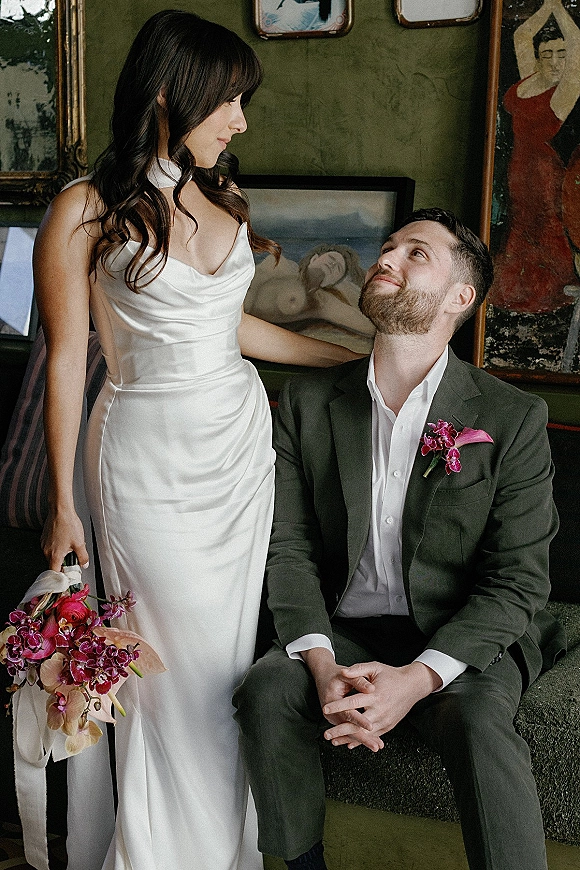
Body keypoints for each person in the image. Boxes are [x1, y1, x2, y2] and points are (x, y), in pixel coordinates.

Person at [33, 11, 357, 870]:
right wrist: (64, 503)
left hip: (239, 453)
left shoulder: (220, 196)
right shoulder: (84, 209)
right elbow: (70, 360)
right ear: (174, 92)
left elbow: (235, 330)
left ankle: (230, 851)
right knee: (168, 680)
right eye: (231, 102)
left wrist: (353, 359)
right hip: (146, 461)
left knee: (223, 677)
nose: (242, 121)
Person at [234, 208, 566, 870]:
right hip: (346, 629)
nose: (388, 258)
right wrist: (324, 667)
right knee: (268, 689)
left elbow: (518, 580)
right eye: (388, 247)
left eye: (418, 254)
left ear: (459, 297)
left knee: (475, 720)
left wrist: (416, 680)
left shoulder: (513, 417)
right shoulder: (307, 404)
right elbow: (287, 548)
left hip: (458, 631)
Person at [489, 0, 580, 313]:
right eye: (547, 53)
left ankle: (549, 295)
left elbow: (577, 41)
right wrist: (549, 5)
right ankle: (517, 295)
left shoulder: (568, 88)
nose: (554, 61)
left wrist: (560, 10)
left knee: (545, 228)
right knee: (521, 227)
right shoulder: (531, 77)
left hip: (544, 171)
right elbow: (522, 36)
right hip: (519, 167)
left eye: (562, 53)